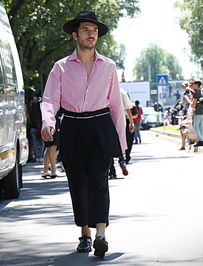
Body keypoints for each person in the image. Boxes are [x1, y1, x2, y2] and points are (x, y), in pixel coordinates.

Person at [40, 11, 126, 258]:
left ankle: (101, 234)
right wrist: (48, 122)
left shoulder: (108, 66)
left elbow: (116, 106)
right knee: (78, 183)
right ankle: (85, 234)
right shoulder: (61, 67)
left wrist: (120, 145)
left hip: (100, 125)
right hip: (72, 127)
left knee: (100, 180)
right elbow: (49, 99)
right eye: (87, 30)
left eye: (95, 30)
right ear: (75, 35)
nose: (91, 34)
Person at [109, 87, 134, 179]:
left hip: (106, 119)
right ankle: (122, 160)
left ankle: (112, 171)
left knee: (108, 145)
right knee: (120, 142)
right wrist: (131, 122)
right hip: (120, 119)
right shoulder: (122, 91)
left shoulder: (103, 87)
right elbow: (128, 108)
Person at [41, 112, 61, 178]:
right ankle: (53, 169)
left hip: (47, 121)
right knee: (54, 146)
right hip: (53, 121)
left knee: (49, 147)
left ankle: (45, 170)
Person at [28, 96, 44, 162]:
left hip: (33, 127)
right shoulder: (40, 109)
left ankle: (37, 157)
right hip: (40, 127)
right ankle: (40, 156)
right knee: (41, 143)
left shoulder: (31, 110)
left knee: (35, 143)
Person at [191, 79, 203, 147]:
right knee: (200, 126)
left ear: (196, 84)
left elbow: (194, 102)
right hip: (202, 110)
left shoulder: (196, 92)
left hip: (197, 110)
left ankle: (200, 140)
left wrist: (192, 108)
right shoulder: (202, 91)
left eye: (193, 84)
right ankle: (201, 138)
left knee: (195, 126)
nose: (192, 85)